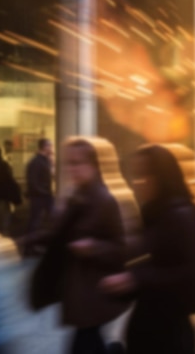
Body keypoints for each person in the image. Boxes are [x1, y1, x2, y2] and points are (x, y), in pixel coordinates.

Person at [100, 145, 195, 354]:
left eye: (145, 174)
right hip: (153, 320)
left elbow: (191, 270)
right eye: (136, 175)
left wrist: (135, 279)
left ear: (162, 176)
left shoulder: (179, 214)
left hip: (169, 329)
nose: (138, 182)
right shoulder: (154, 210)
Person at [30, 138, 129, 354]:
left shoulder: (104, 200)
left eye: (77, 163)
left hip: (93, 294)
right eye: (68, 163)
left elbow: (121, 249)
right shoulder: (76, 196)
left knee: (84, 344)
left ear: (93, 165)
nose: (71, 169)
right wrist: (35, 238)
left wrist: (93, 247)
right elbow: (59, 235)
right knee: (88, 343)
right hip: (78, 292)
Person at [24, 138, 54, 255]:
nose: (51, 148)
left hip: (45, 195)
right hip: (39, 197)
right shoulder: (36, 162)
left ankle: (35, 246)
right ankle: (29, 248)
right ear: (44, 147)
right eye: (50, 146)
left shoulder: (45, 160)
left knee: (47, 220)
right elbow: (33, 181)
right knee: (35, 222)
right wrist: (43, 192)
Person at [0, 147, 21, 235]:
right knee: (5, 211)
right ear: (1, 153)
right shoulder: (4, 164)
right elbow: (9, 178)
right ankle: (4, 229)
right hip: (4, 192)